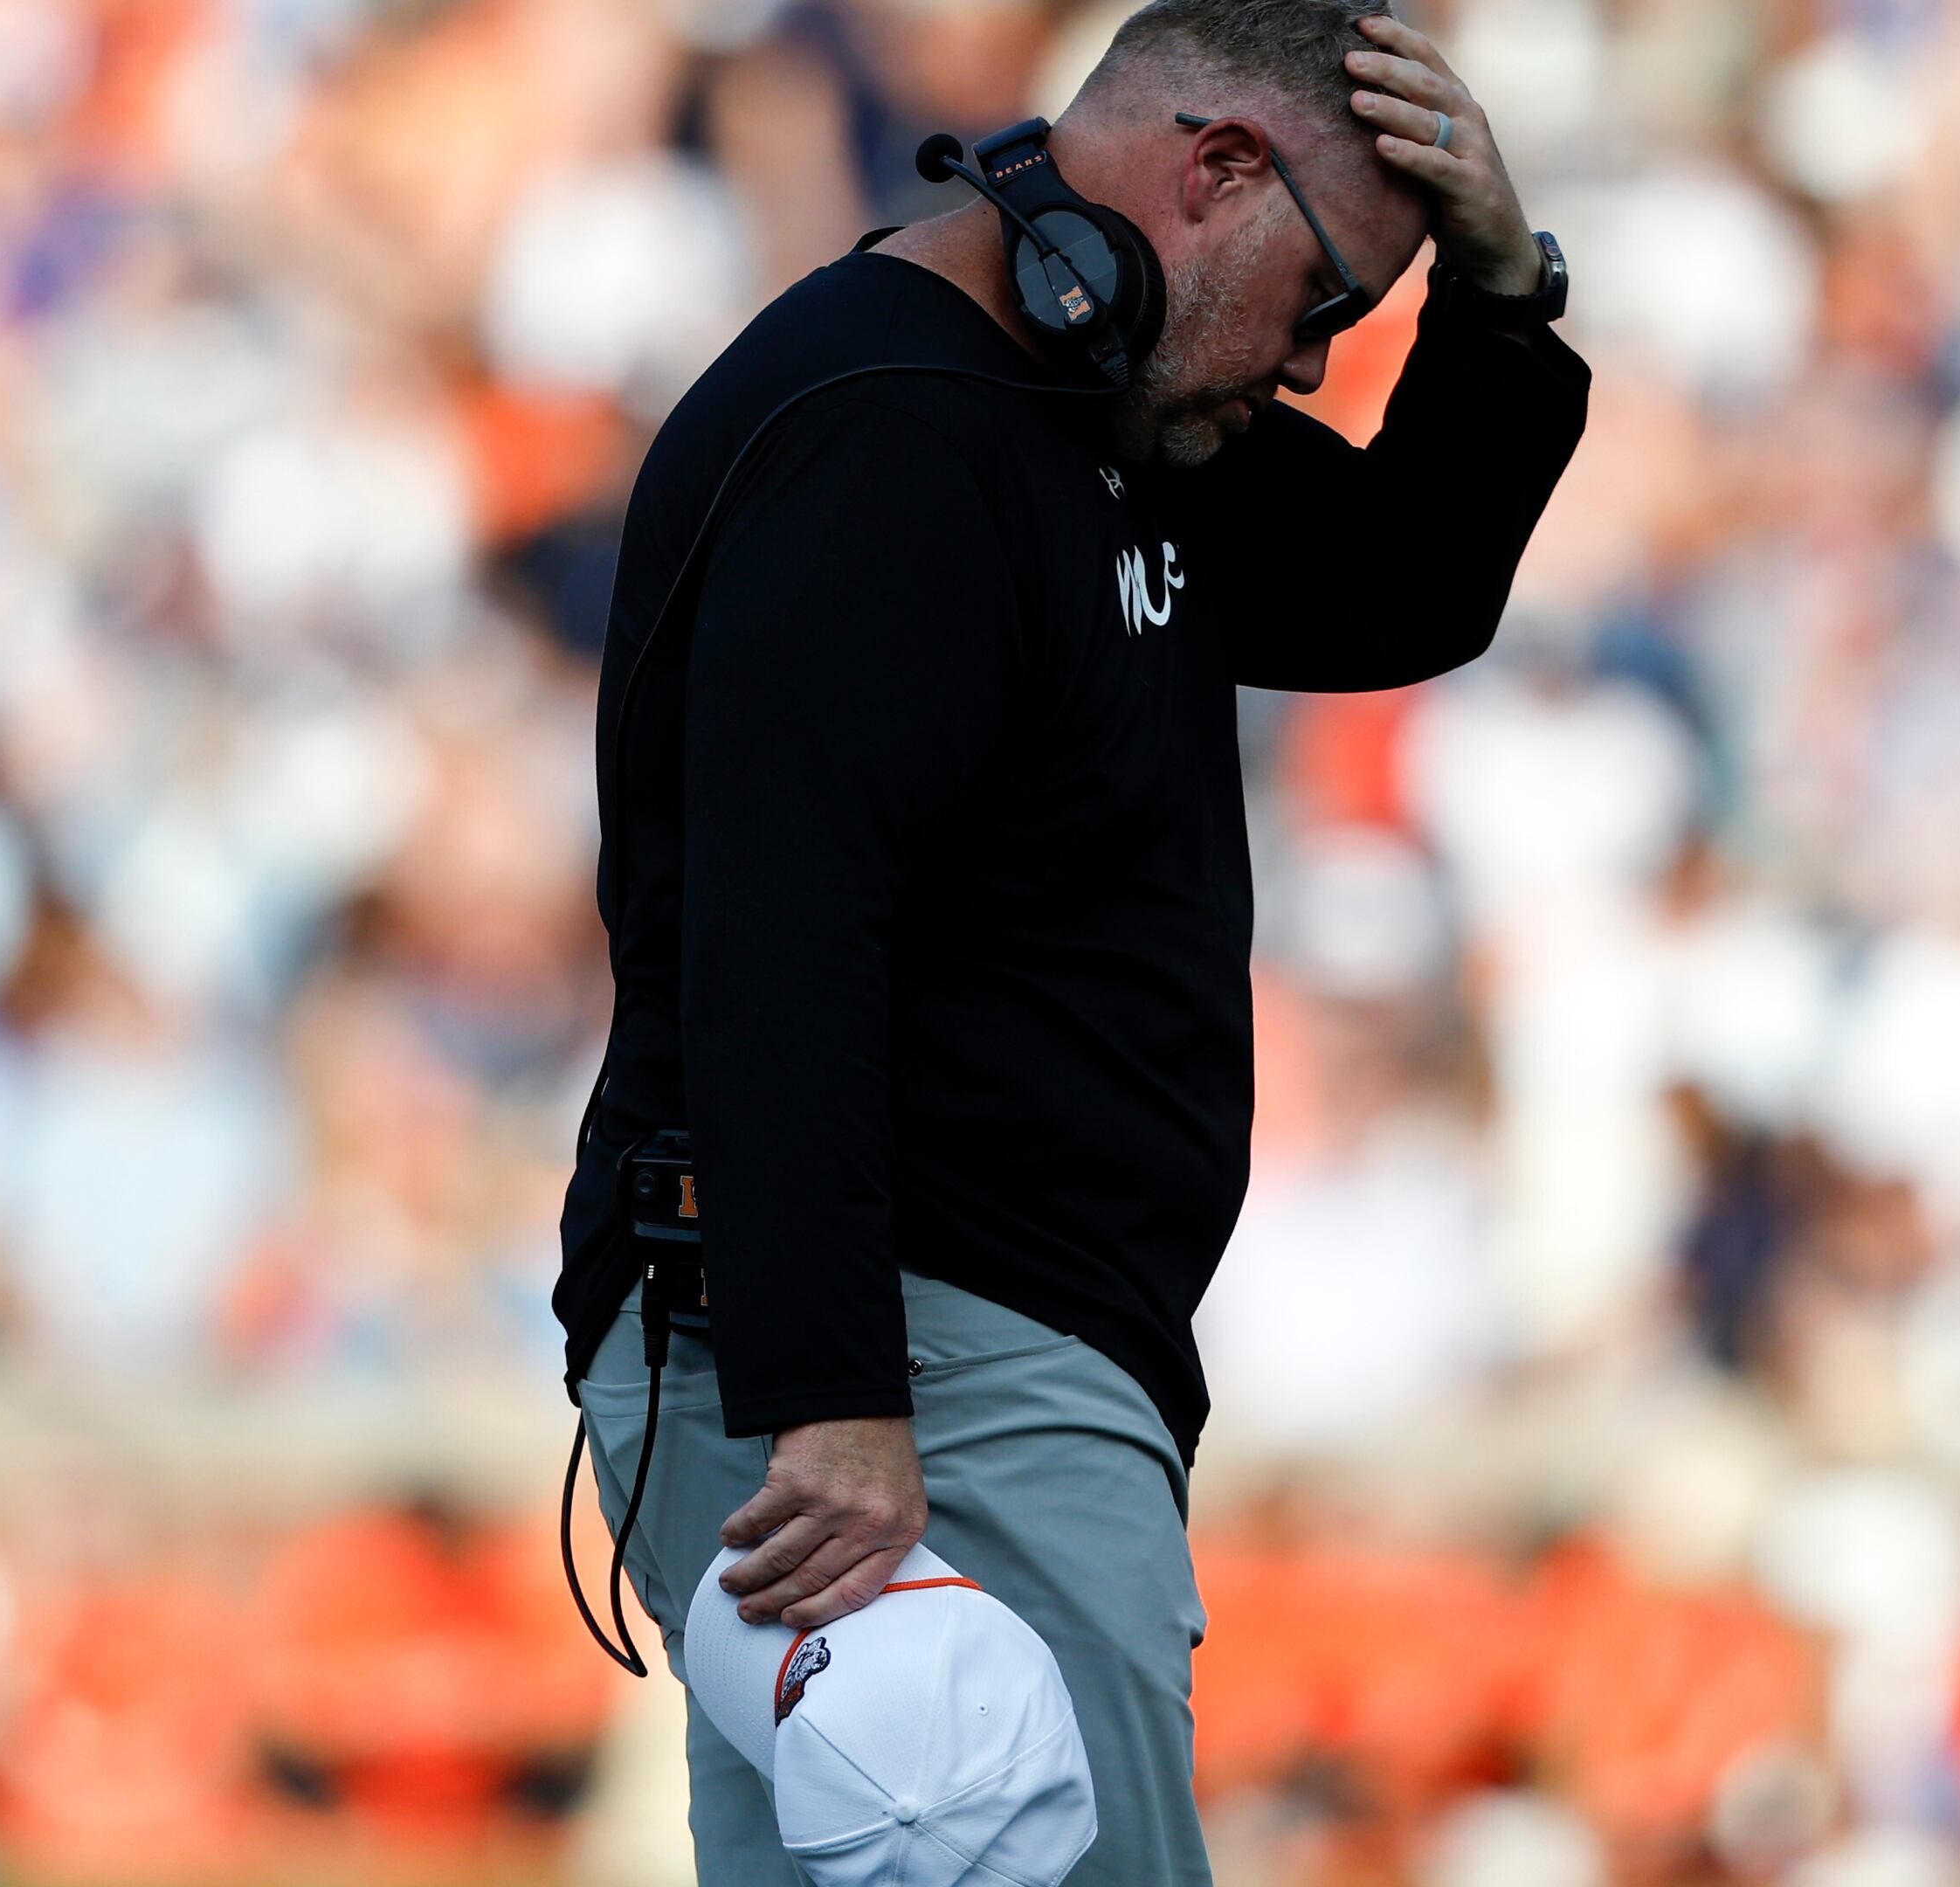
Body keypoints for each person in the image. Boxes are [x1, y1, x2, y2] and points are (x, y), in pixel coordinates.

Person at [547, 3, 1588, 1881]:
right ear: (1214, 173)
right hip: (923, 1369)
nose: (1304, 367)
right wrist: (839, 1401)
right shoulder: (893, 429)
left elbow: (1400, 583)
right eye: (1323, 305)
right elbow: (782, 935)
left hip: (955, 1348)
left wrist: (1505, 300)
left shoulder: (1090, 398)